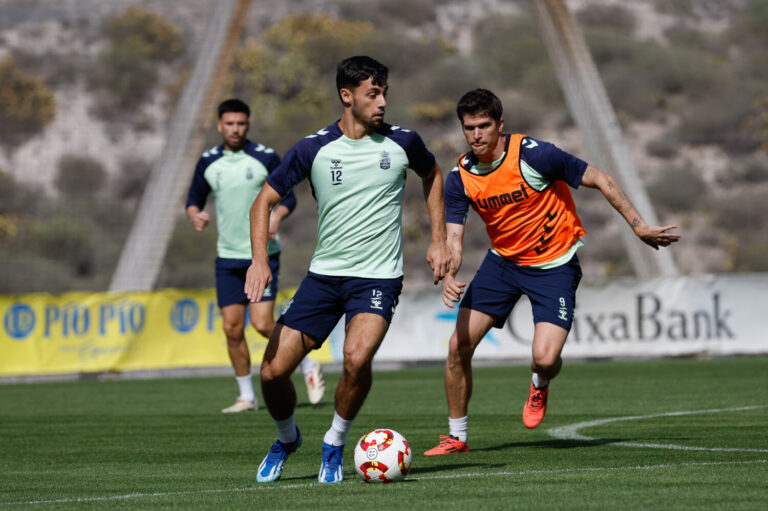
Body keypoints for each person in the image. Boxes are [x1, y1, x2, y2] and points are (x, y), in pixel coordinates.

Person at [424, 88, 680, 455]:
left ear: (500, 125)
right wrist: (449, 276)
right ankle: (456, 437)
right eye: (469, 128)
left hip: (554, 266)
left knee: (544, 357)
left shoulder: (536, 155)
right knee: (457, 346)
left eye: (483, 126)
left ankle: (540, 381)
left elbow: (602, 179)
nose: (477, 135)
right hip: (503, 264)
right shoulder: (461, 177)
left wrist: (638, 226)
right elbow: (454, 240)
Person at [244, 56, 451, 483]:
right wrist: (259, 261)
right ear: (347, 96)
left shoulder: (404, 142)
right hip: (323, 278)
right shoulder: (312, 149)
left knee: (356, 359)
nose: (382, 103)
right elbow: (262, 202)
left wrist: (439, 240)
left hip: (378, 277)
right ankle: (286, 439)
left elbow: (433, 175)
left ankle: (335, 443)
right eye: (373, 94)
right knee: (271, 372)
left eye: (384, 94)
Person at [185, 98, 326, 414]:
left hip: (262, 255)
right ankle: (246, 396)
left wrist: (278, 216)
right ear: (220, 125)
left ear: (247, 125)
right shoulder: (208, 162)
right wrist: (195, 215)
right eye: (230, 124)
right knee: (231, 328)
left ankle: (307, 365)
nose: (235, 129)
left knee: (263, 323)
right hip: (227, 258)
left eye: (241, 124)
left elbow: (288, 199)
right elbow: (194, 200)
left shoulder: (264, 157)